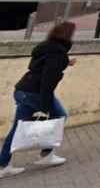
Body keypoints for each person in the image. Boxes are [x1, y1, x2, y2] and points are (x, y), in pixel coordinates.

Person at [1, 21, 76, 178]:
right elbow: (47, 81)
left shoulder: (46, 47)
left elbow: (40, 66)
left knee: (17, 128)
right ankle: (46, 155)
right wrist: (44, 107)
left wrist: (65, 63)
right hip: (35, 93)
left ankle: (3, 165)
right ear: (67, 36)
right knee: (60, 116)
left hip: (23, 90)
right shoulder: (58, 53)